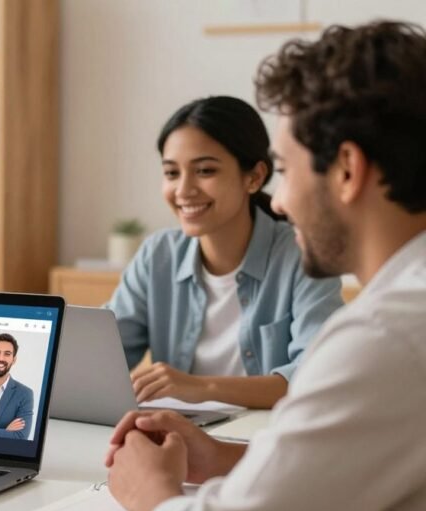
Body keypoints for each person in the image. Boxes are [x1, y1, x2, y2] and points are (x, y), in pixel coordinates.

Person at [106, 20, 426, 511]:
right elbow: (351, 460)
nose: (278, 199)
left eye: (282, 169)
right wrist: (225, 459)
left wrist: (146, 487)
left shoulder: (385, 340)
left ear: (347, 170)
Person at [107, 96, 344, 409]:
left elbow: (314, 379)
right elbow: (104, 354)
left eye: (205, 171)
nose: (183, 190)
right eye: (172, 173)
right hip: (177, 436)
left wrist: (201, 387)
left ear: (254, 177)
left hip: (265, 441)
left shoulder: (303, 256)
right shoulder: (158, 254)